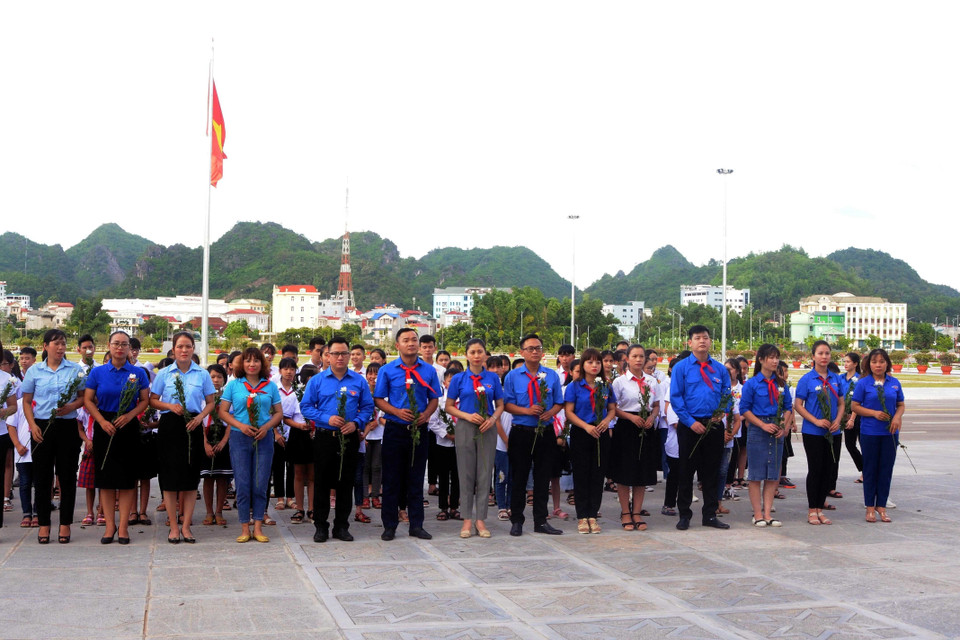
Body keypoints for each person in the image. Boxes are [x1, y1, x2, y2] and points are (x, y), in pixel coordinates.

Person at [300, 336, 374, 542]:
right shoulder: (317, 380)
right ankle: (321, 526)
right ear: (328, 356)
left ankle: (341, 526)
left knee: (346, 483)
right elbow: (305, 407)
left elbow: (368, 407)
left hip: (348, 437)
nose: (340, 357)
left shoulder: (358, 381)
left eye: (344, 353)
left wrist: (356, 423)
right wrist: (327, 418)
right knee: (322, 483)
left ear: (349, 356)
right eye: (335, 354)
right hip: (325, 438)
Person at [83, 331, 151, 544]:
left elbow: (144, 400)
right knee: (106, 479)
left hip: (128, 426)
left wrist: (130, 416)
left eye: (124, 344)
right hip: (104, 426)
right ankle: (109, 526)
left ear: (130, 347)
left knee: (127, 479)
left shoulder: (138, 373)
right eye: (116, 344)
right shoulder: (98, 372)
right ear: (109, 345)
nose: (120, 348)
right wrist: (101, 421)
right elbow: (88, 400)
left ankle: (123, 527)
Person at [373, 328, 441, 541]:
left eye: (414, 340)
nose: (411, 343)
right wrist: (396, 411)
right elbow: (379, 399)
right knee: (391, 479)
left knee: (416, 478)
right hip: (395, 429)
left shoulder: (428, 371)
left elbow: (434, 398)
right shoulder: (387, 370)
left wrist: (426, 415)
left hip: (419, 430)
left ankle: (416, 525)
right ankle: (389, 525)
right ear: (397, 345)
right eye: (406, 340)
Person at [149, 331, 216, 543]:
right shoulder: (164, 373)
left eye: (188, 346)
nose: (184, 350)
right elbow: (152, 400)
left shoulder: (202, 374)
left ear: (193, 349)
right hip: (170, 426)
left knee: (190, 478)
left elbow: (211, 402)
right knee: (169, 479)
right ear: (173, 350)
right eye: (180, 346)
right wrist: (169, 406)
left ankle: (186, 526)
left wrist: (200, 418)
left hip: (192, 425)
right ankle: (173, 527)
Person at [21, 330, 87, 544]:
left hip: (67, 426)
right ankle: (44, 524)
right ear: (45, 346)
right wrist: (32, 425)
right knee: (42, 478)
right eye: (56, 343)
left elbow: (83, 398)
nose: (60, 348)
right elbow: (26, 401)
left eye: (63, 344)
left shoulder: (75, 370)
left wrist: (70, 407)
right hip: (42, 427)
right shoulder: (35, 371)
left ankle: (65, 523)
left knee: (67, 477)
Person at [669, 326, 732, 531]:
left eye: (705, 337)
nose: (702, 341)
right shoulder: (681, 368)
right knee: (686, 471)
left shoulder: (720, 369)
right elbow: (676, 397)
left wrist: (722, 412)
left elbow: (727, 394)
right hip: (690, 425)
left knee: (711, 472)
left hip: (713, 425)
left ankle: (710, 514)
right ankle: (684, 515)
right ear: (690, 343)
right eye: (697, 338)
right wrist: (690, 421)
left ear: (710, 341)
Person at [502, 334, 564, 536]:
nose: (535, 352)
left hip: (545, 432)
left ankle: (541, 520)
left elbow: (559, 402)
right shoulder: (512, 376)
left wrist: (550, 413)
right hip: (521, 432)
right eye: (530, 348)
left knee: (542, 478)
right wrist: (527, 411)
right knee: (519, 478)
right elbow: (507, 404)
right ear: (522, 352)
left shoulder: (551, 375)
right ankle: (517, 520)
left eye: (538, 348)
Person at [219, 347, 282, 543]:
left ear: (262, 364)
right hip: (240, 437)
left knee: (260, 484)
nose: (252, 364)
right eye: (248, 360)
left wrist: (267, 427)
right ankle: (245, 527)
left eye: (256, 360)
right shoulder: (234, 385)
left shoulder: (270, 386)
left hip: (264, 438)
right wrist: (241, 426)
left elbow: (278, 413)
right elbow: (223, 412)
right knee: (243, 483)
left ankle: (258, 526)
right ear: (242, 363)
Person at [445, 338, 503, 538]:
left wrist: (493, 419)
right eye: (472, 352)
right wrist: (467, 416)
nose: (477, 356)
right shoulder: (459, 379)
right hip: (465, 427)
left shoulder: (493, 378)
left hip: (487, 428)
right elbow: (449, 406)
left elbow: (500, 404)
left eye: (480, 352)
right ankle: (467, 519)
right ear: (466, 355)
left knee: (484, 474)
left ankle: (481, 519)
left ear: (485, 354)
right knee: (466, 473)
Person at [739, 344, 792, 528]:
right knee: (756, 475)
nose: (775, 361)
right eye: (771, 357)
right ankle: (758, 514)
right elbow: (744, 409)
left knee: (772, 475)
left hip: (776, 429)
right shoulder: (752, 384)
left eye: (777, 357)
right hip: (758, 429)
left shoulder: (781, 384)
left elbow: (788, 407)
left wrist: (783, 425)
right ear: (761, 359)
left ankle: (768, 513)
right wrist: (762, 425)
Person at [564, 348, 616, 534]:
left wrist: (606, 421)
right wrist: (586, 426)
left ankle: (593, 515)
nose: (594, 365)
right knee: (581, 475)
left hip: (600, 432)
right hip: (582, 432)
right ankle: (582, 516)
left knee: (597, 474)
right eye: (590, 362)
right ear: (583, 364)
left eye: (598, 362)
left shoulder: (605, 385)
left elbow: (612, 408)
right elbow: (569, 412)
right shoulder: (574, 386)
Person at [793, 341, 844, 525]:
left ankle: (820, 509)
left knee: (828, 470)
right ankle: (812, 509)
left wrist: (837, 421)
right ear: (813, 356)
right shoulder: (807, 379)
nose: (824, 357)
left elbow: (841, 403)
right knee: (816, 469)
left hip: (833, 432)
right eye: (820, 353)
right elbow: (798, 405)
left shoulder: (836, 378)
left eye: (827, 353)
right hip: (813, 432)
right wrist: (815, 421)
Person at [852, 348, 905, 523]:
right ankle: (869, 507)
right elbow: (855, 406)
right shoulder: (863, 383)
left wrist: (897, 417)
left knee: (886, 470)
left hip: (890, 434)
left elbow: (901, 404)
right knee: (870, 470)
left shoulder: (894, 382)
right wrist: (873, 413)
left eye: (882, 361)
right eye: (874, 362)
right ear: (869, 364)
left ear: (887, 363)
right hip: (870, 433)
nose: (878, 365)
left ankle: (881, 506)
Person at [611, 344, 660, 531]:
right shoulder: (619, 382)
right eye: (635, 356)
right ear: (627, 359)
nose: (638, 360)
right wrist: (631, 417)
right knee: (624, 471)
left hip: (646, 427)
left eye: (641, 356)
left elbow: (656, 405)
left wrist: (652, 417)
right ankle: (625, 512)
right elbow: (613, 407)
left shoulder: (652, 381)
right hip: (626, 427)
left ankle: (637, 512)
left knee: (642, 471)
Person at [280, 361, 313, 524]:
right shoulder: (295, 395)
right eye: (309, 378)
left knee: (313, 475)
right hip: (298, 434)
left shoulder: (320, 394)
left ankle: (312, 509)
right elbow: (285, 417)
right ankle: (299, 508)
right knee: (298, 473)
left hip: (314, 435)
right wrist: (299, 426)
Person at [201, 364, 231, 527]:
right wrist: (205, 442)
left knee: (222, 477)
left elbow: (232, 421)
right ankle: (209, 512)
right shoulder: (202, 397)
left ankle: (219, 511)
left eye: (219, 377)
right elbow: (199, 421)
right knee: (208, 477)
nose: (216, 380)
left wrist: (224, 440)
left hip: (223, 437)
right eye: (212, 376)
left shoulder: (228, 397)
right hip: (206, 436)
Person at [361, 362, 383, 512]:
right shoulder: (363, 392)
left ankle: (375, 495)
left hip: (380, 435)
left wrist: (378, 421)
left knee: (377, 467)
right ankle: (364, 496)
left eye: (376, 374)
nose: (373, 377)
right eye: (370, 373)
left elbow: (387, 411)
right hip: (365, 435)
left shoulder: (384, 393)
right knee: (365, 467)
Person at [841, 352, 864, 484]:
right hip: (845, 415)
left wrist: (852, 418)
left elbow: (858, 400)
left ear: (855, 364)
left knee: (863, 445)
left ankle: (865, 473)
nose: (845, 364)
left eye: (848, 361)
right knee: (850, 445)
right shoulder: (841, 378)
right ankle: (865, 468)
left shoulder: (860, 379)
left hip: (858, 416)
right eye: (844, 361)